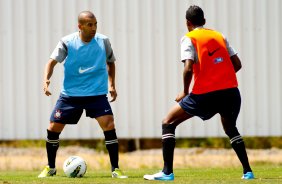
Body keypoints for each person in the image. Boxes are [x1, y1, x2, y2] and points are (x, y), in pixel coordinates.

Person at [144, 5, 254, 181]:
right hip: (231, 92)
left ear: (188, 23)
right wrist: (220, 76)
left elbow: (188, 68)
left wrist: (185, 92)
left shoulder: (188, 38)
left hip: (205, 94)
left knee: (168, 122)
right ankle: (248, 172)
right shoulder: (220, 36)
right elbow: (237, 64)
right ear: (204, 21)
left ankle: (167, 172)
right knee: (231, 128)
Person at [38, 11, 127, 179]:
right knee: (53, 127)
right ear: (80, 26)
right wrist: (46, 80)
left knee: (109, 124)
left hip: (96, 94)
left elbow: (111, 62)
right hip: (71, 95)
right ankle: (50, 168)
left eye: (95, 24)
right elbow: (51, 62)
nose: (94, 28)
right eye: (89, 25)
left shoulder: (103, 41)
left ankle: (115, 169)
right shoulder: (67, 42)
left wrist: (112, 85)